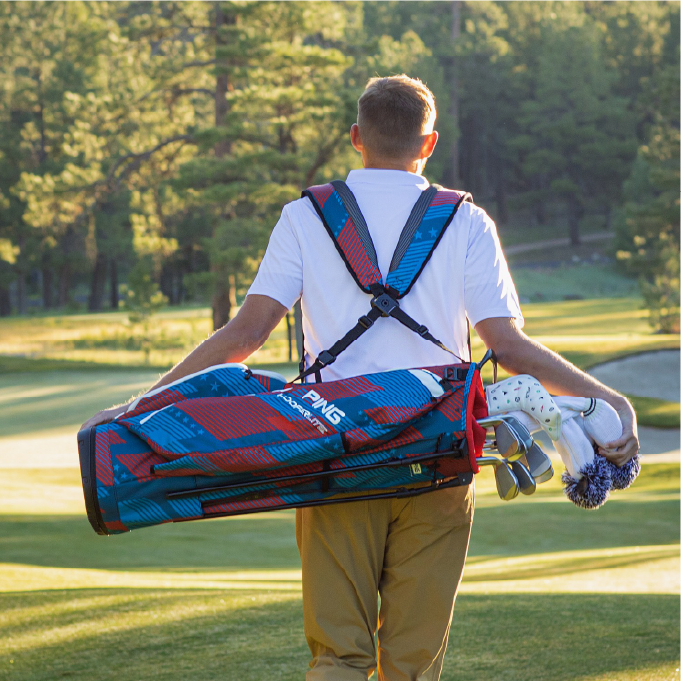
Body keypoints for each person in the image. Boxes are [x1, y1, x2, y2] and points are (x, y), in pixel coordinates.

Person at [82, 74, 639, 681]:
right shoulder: (467, 222)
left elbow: (244, 336)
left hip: (335, 457)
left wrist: (138, 407)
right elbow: (507, 346)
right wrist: (609, 399)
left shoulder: (305, 217)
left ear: (356, 137)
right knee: (413, 664)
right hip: (439, 461)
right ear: (429, 144)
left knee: (338, 658)